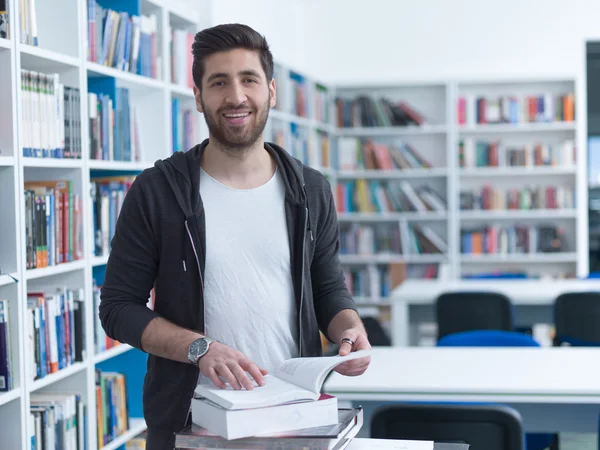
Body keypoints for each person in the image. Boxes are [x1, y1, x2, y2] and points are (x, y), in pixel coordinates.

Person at [99, 22, 371, 450]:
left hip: (293, 416)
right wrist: (198, 348)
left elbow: (328, 287)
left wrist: (350, 328)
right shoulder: (157, 191)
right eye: (219, 82)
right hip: (189, 422)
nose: (236, 97)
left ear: (272, 91)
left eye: (249, 80)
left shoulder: (310, 190)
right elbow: (117, 309)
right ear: (199, 96)